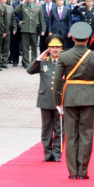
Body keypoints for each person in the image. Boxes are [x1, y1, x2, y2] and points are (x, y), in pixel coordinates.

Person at [53, 22, 94, 180]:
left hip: (69, 98)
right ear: (89, 39)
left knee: (72, 135)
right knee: (86, 135)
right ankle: (83, 171)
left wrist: (58, 102)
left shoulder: (64, 56)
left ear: (72, 38)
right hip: (89, 98)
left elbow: (57, 82)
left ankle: (73, 172)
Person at [27, 34, 64, 162]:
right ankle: (47, 153)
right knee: (46, 128)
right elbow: (29, 71)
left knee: (59, 128)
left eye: (57, 47)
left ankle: (57, 153)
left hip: (60, 100)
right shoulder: (43, 62)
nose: (55, 49)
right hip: (45, 99)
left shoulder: (65, 62)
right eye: (52, 47)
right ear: (48, 49)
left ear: (61, 49)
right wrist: (38, 59)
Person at [14, 0, 45, 68]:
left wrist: (43, 30)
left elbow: (42, 19)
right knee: (25, 47)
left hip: (34, 29)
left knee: (34, 46)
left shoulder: (38, 6)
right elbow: (16, 11)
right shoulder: (24, 6)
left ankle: (34, 61)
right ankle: (26, 62)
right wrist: (22, 2)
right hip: (25, 29)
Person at [0, 0, 14, 68]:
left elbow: (13, 19)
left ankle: (4, 61)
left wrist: (14, 28)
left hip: (7, 30)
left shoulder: (10, 8)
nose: (3, 0)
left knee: (6, 47)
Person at [10, 0, 25, 67]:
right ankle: (15, 61)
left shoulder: (28, 4)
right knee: (15, 45)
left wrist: (23, 21)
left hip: (25, 26)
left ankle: (24, 62)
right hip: (16, 26)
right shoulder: (14, 4)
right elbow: (13, 14)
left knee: (24, 45)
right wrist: (18, 21)